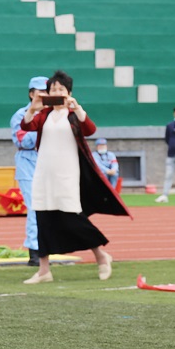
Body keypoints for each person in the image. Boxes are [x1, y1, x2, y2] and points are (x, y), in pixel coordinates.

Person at [20, 70, 128, 284]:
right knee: (43, 219)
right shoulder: (44, 114)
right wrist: (33, 108)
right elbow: (27, 126)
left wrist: (76, 108)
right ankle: (44, 270)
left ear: (69, 92)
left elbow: (90, 129)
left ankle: (101, 256)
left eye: (61, 89)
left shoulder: (72, 115)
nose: (56, 93)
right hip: (44, 173)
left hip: (67, 173)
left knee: (72, 217)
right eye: (53, 89)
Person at [11, 76, 48, 267]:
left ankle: (47, 247)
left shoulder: (53, 113)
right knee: (35, 207)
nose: (43, 96)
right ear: (31, 94)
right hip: (28, 161)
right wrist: (38, 122)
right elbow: (23, 141)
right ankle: (34, 250)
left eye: (46, 92)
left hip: (49, 161)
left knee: (50, 207)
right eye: (40, 92)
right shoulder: (20, 115)